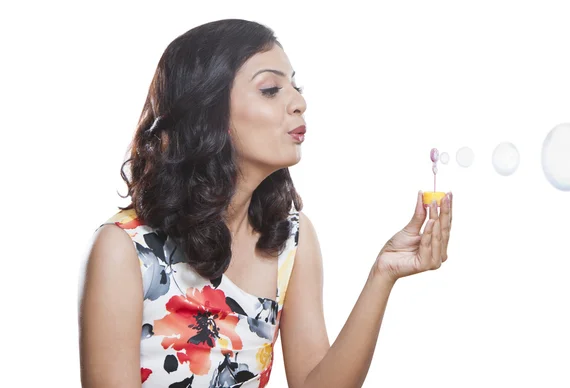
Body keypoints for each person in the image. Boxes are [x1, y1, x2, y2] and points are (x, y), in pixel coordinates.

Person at [78, 19, 453, 388]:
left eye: (296, 86)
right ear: (210, 112)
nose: (300, 103)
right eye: (271, 89)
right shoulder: (124, 250)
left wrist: (383, 273)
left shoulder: (291, 238)